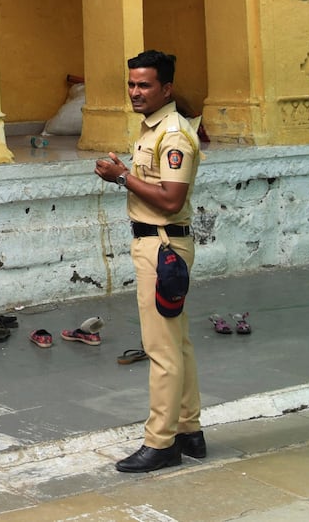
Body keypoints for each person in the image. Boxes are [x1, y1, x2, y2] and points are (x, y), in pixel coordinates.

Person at [92, 49, 203, 473]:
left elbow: (171, 200)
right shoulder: (153, 129)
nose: (135, 92)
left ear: (166, 89)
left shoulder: (172, 134)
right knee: (179, 344)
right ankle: (190, 431)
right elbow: (155, 185)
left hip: (162, 247)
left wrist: (121, 177)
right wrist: (129, 174)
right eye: (132, 85)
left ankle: (161, 443)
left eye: (145, 85)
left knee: (161, 351)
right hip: (160, 244)